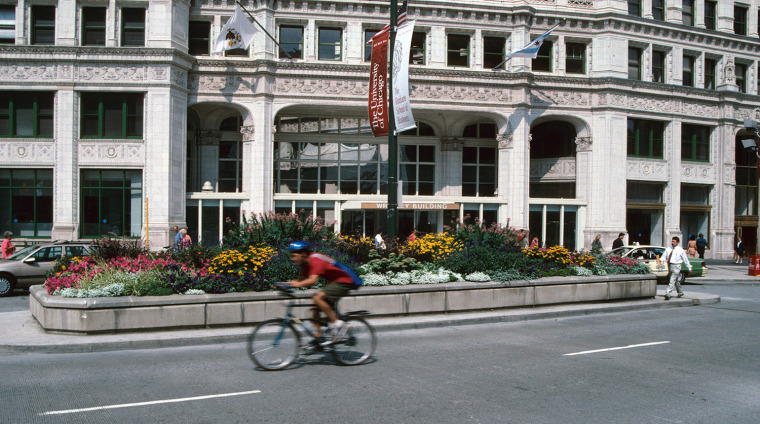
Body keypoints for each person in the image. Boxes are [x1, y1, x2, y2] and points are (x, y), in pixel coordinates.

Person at [279, 241, 362, 346]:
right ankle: (318, 337)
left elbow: (312, 281)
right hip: (334, 281)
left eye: (294, 256)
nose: (292, 259)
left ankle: (339, 324)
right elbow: (300, 280)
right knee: (315, 306)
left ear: (303, 254)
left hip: (344, 280)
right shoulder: (305, 264)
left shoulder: (315, 259)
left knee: (317, 298)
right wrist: (283, 284)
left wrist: (291, 286)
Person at [661, 236, 692, 300]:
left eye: (674, 242)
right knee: (676, 280)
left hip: (677, 266)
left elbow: (685, 259)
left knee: (672, 280)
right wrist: (661, 260)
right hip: (670, 265)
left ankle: (668, 293)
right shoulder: (668, 249)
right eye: (672, 241)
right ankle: (680, 292)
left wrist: (689, 267)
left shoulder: (681, 250)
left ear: (677, 242)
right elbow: (664, 256)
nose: (672, 243)